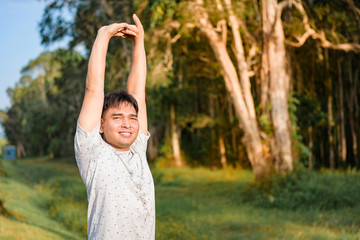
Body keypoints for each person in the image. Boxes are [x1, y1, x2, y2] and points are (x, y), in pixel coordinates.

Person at [74, 14, 155, 240]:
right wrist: (103, 35)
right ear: (101, 125)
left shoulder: (138, 149)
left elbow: (138, 91)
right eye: (117, 118)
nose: (127, 124)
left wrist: (139, 42)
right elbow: (93, 89)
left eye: (132, 117)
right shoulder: (92, 152)